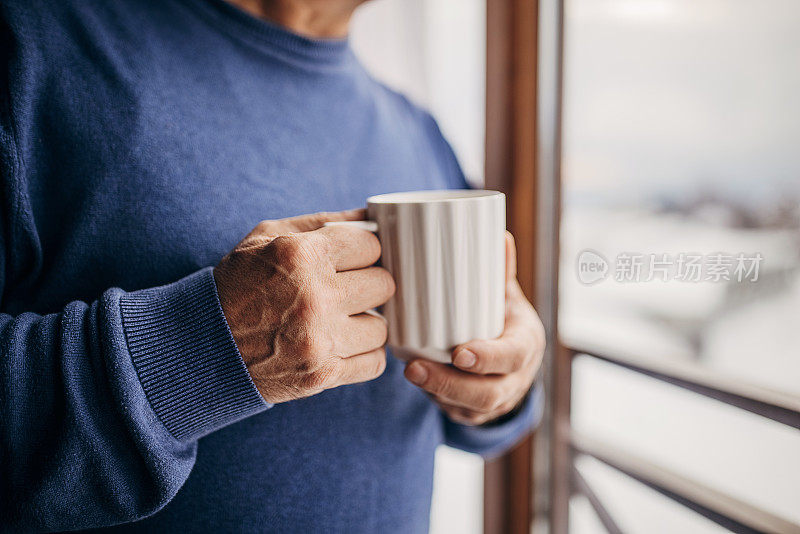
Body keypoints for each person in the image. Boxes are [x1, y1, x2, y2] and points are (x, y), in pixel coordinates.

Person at [0, 0, 545, 532]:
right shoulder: (28, 45)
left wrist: (502, 385)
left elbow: (477, 393)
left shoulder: (419, 129)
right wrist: (197, 351)